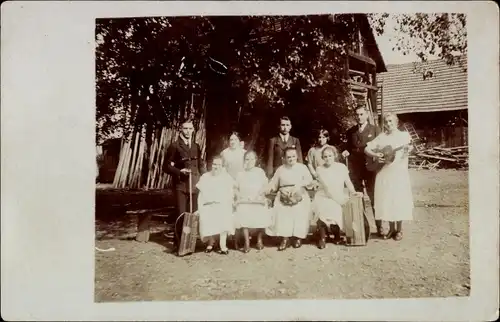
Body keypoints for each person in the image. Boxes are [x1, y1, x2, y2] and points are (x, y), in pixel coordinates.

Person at [364, 112, 414, 241]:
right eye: (386, 122)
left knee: (398, 200)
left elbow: (410, 146)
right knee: (388, 200)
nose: (388, 124)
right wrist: (375, 155)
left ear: (397, 122)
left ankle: (399, 230)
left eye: (391, 121)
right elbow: (367, 148)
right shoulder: (382, 137)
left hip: (399, 172)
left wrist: (409, 149)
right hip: (385, 173)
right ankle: (391, 229)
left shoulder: (404, 136)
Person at [163, 119, 206, 252]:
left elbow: (200, 165)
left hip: (194, 185)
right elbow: (165, 166)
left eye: (190, 129)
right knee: (181, 214)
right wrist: (179, 171)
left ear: (193, 130)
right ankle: (178, 243)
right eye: (185, 128)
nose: (188, 131)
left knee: (193, 214)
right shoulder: (174, 146)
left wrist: (204, 179)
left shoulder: (196, 146)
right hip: (181, 185)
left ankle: (190, 242)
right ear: (181, 130)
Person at [340, 105, 382, 236]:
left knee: (374, 197)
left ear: (367, 115)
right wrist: (345, 151)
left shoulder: (375, 130)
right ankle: (362, 226)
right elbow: (347, 147)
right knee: (358, 198)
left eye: (362, 114)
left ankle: (379, 226)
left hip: (370, 169)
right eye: (357, 115)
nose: (359, 117)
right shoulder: (351, 131)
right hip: (355, 169)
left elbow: (380, 148)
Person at [312, 147, 363, 249]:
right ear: (322, 158)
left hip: (338, 194)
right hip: (324, 195)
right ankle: (322, 237)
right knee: (323, 207)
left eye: (330, 156)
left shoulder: (341, 167)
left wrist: (353, 192)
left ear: (335, 156)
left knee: (335, 208)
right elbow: (326, 188)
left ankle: (336, 235)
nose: (328, 158)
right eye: (325, 156)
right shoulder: (320, 169)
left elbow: (347, 182)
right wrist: (337, 200)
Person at [266, 147, 313, 251]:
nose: (291, 159)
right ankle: (285, 238)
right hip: (284, 193)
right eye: (288, 157)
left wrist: (299, 185)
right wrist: (269, 189)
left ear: (296, 157)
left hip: (299, 193)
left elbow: (309, 181)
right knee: (283, 212)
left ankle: (298, 237)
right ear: (284, 158)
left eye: (293, 156)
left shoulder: (302, 168)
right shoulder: (280, 169)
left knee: (300, 210)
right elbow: (274, 183)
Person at [196, 155, 236, 254]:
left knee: (224, 215)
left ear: (223, 166)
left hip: (222, 205)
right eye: (214, 164)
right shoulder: (205, 177)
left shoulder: (226, 177)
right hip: (208, 204)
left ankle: (223, 244)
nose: (216, 167)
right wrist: (201, 207)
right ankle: (211, 241)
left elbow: (230, 194)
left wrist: (226, 203)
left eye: (219, 165)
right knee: (207, 214)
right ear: (211, 165)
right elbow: (201, 195)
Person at [233, 150, 271, 253]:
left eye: (252, 159)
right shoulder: (240, 173)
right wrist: (239, 195)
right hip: (244, 199)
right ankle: (247, 242)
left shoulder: (260, 172)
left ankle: (259, 240)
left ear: (255, 160)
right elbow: (235, 188)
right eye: (247, 159)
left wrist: (261, 194)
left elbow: (265, 186)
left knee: (262, 210)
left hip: (257, 199)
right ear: (243, 161)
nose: (249, 161)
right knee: (243, 211)